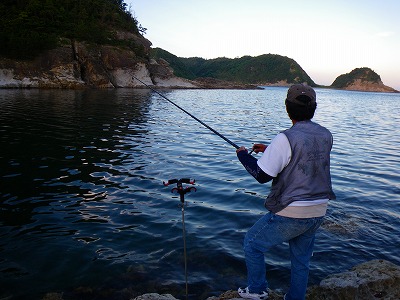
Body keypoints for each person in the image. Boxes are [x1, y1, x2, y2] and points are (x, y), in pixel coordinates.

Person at [235, 84, 336, 300]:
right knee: (301, 260)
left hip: (293, 211)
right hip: (318, 210)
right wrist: (269, 149)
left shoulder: (284, 138)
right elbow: (305, 155)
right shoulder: (326, 135)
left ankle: (256, 290)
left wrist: (243, 155)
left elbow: (262, 175)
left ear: (287, 107)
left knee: (252, 244)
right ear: (314, 107)